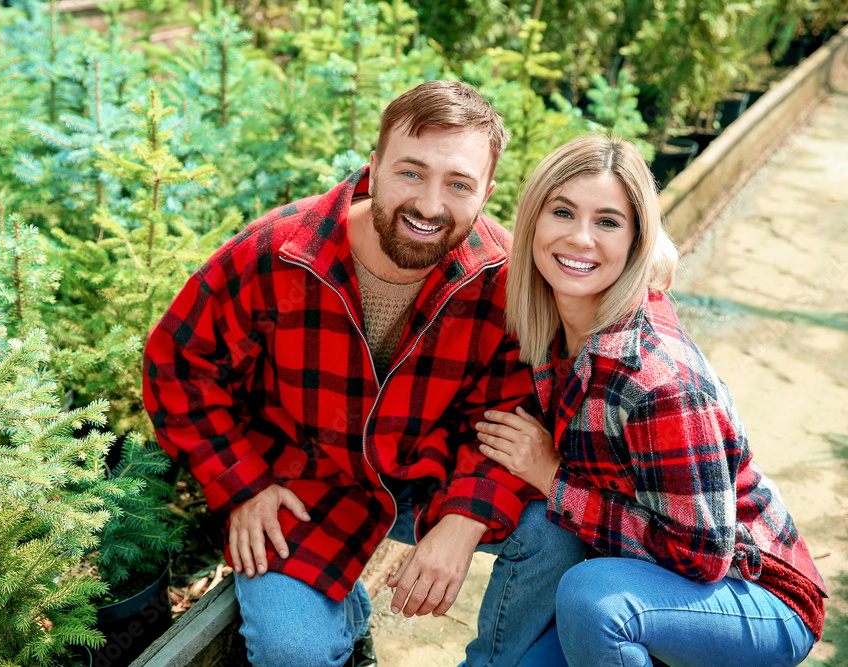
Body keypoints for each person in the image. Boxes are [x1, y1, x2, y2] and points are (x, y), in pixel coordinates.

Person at [143, 80, 584, 667]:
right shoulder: (280, 252)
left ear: (487, 192)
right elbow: (179, 361)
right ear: (373, 168)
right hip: (307, 482)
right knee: (289, 651)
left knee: (556, 532)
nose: (430, 204)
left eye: (458, 184)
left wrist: (463, 519)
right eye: (410, 173)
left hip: (431, 472)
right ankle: (346, 632)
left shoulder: (503, 278)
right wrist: (242, 486)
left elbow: (510, 411)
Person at [475, 133, 827, 667]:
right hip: (641, 576)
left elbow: (702, 555)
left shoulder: (656, 380)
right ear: (532, 224)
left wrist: (552, 478)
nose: (580, 239)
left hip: (752, 594)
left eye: (608, 222)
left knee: (591, 601)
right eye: (563, 212)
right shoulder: (552, 328)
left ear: (638, 240)